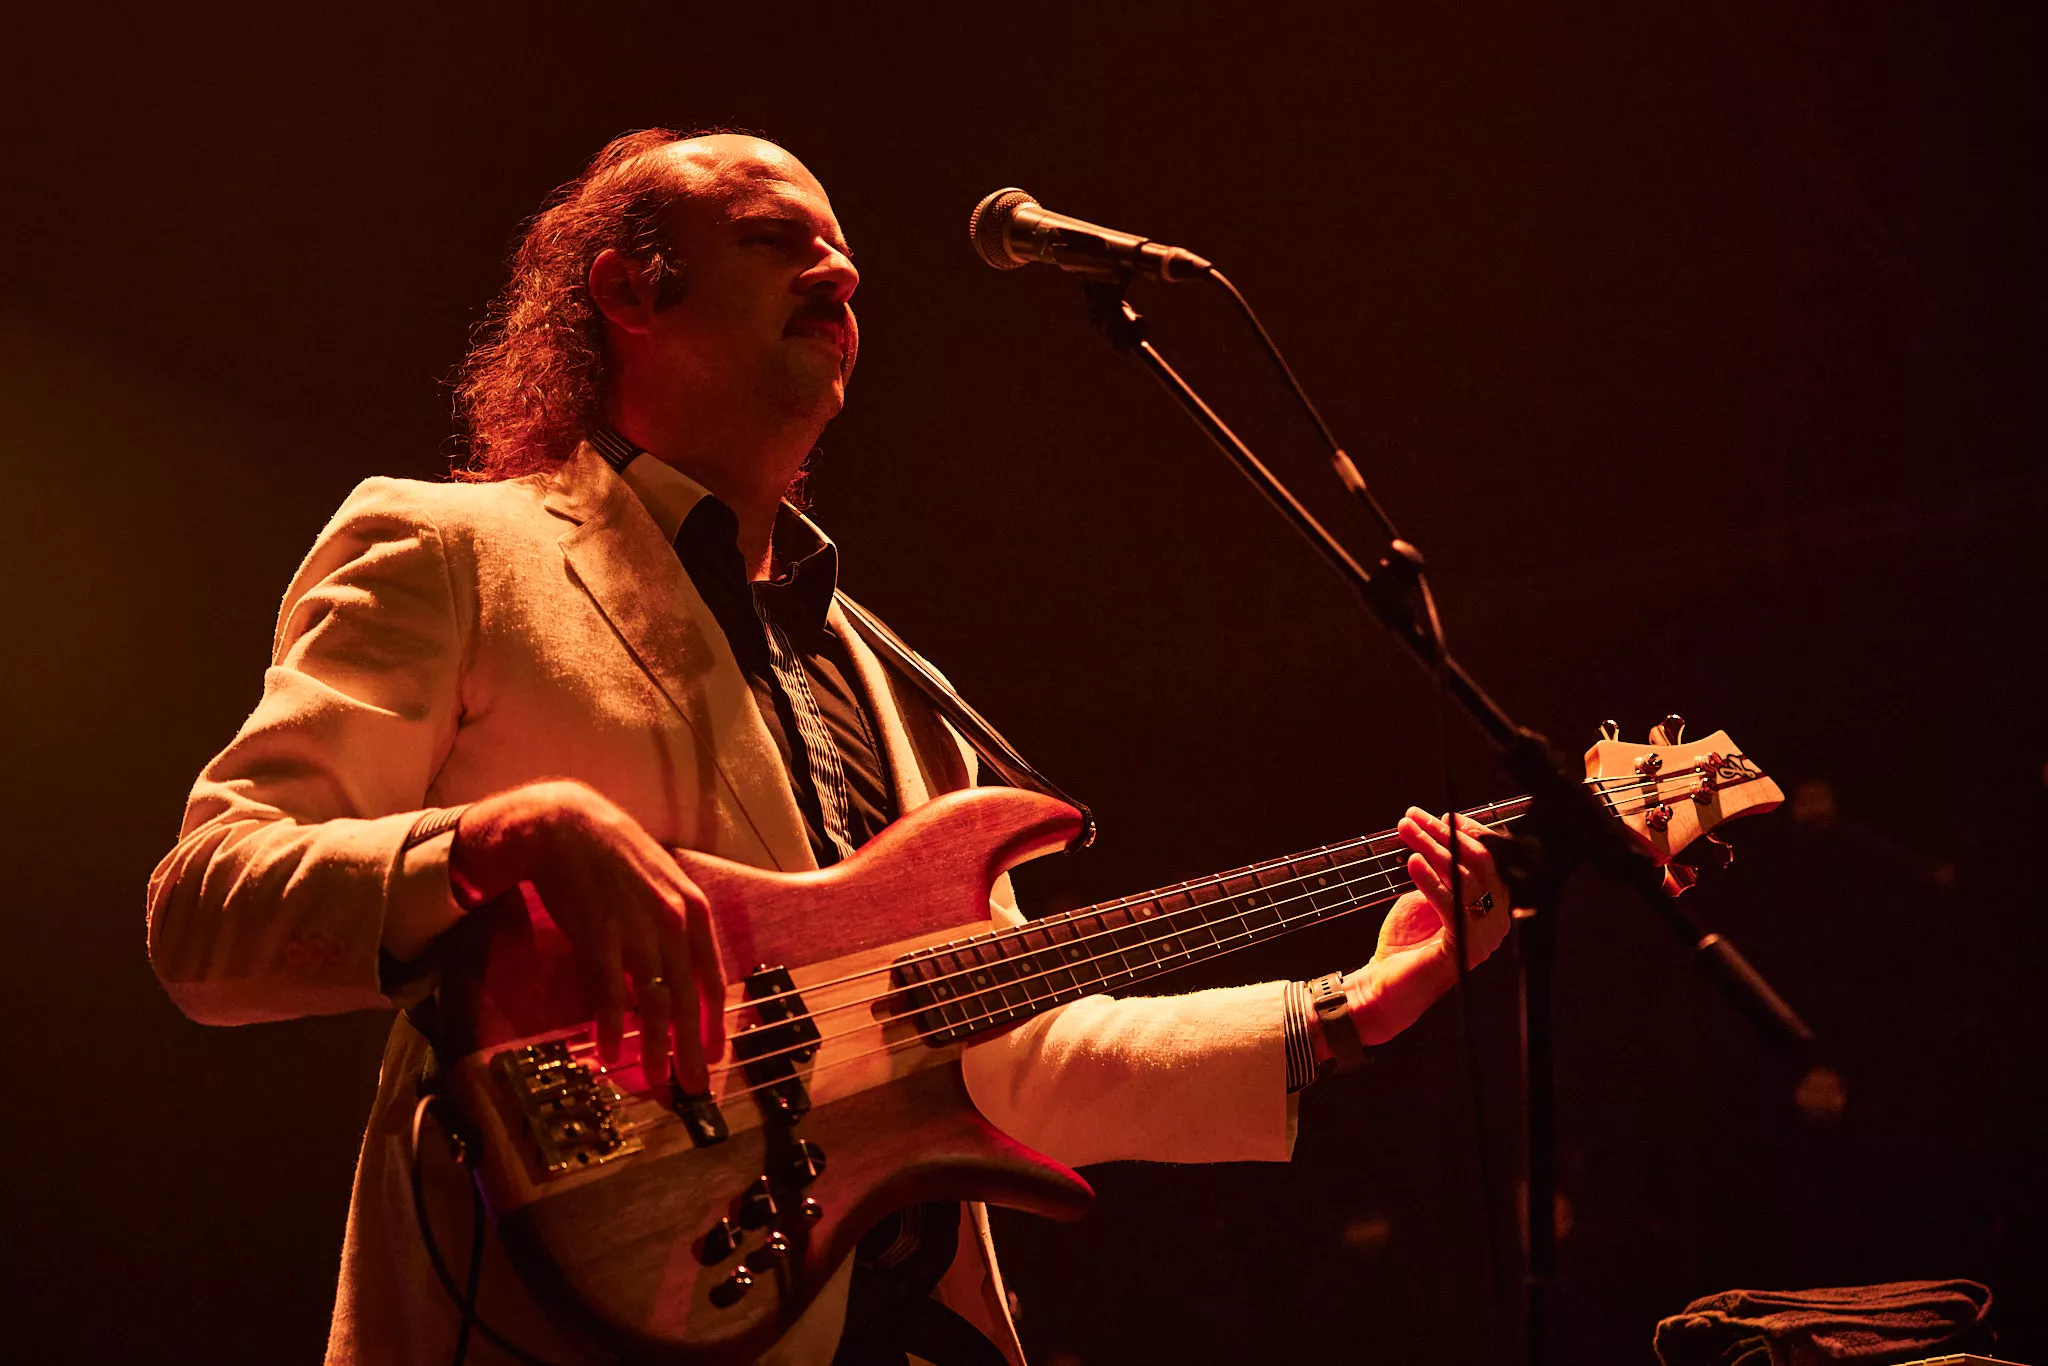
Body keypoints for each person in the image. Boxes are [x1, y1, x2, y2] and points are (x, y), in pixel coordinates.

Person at [146, 128, 1515, 1366]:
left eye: (846, 257)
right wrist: (499, 838)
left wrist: (1351, 1007)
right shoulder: (452, 551)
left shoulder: (885, 673)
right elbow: (208, 911)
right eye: (774, 239)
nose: (842, 274)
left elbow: (1003, 1052)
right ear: (629, 290)